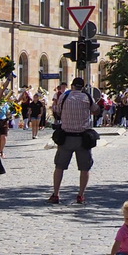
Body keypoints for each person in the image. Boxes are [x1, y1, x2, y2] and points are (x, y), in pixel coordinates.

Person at [49, 77, 100, 205]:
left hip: (66, 138)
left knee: (59, 167)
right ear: (82, 87)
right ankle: (81, 195)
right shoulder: (87, 97)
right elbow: (95, 110)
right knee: (84, 168)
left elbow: (58, 111)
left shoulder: (64, 97)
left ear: (72, 86)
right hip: (83, 138)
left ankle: (56, 194)